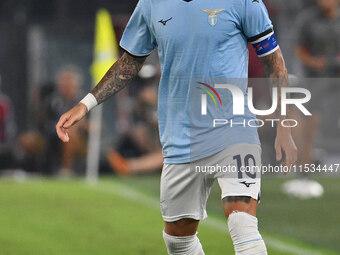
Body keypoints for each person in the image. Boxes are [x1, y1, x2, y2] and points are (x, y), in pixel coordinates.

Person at [56, 0, 297, 254]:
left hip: (234, 129)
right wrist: (85, 104)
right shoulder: (151, 4)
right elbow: (130, 62)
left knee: (242, 221)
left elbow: (274, 62)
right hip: (181, 135)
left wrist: (284, 125)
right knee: (179, 241)